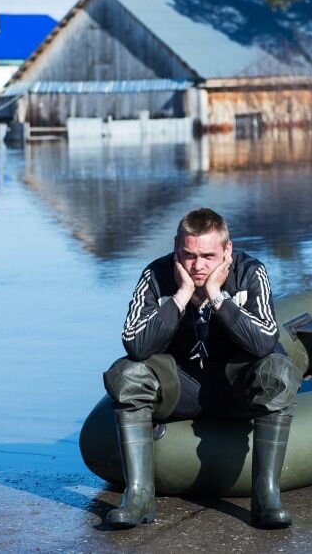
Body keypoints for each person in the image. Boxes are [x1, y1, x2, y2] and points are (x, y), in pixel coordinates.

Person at [102, 208, 301, 530]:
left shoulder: (251, 272)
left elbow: (264, 343)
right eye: (189, 255)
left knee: (277, 372)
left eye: (208, 256)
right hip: (181, 386)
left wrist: (216, 296)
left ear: (227, 250)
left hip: (237, 386)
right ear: (176, 248)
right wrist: (180, 296)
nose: (198, 265)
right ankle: (138, 497)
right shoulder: (156, 274)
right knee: (127, 374)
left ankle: (266, 498)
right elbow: (135, 345)